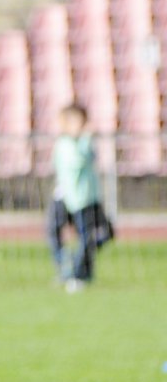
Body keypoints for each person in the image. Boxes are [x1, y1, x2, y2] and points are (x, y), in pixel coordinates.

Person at [48, 104, 110, 292]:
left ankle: (79, 270)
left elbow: (86, 159)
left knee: (98, 234)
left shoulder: (84, 143)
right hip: (67, 198)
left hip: (85, 199)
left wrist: (85, 140)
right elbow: (73, 163)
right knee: (54, 232)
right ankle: (69, 268)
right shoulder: (64, 144)